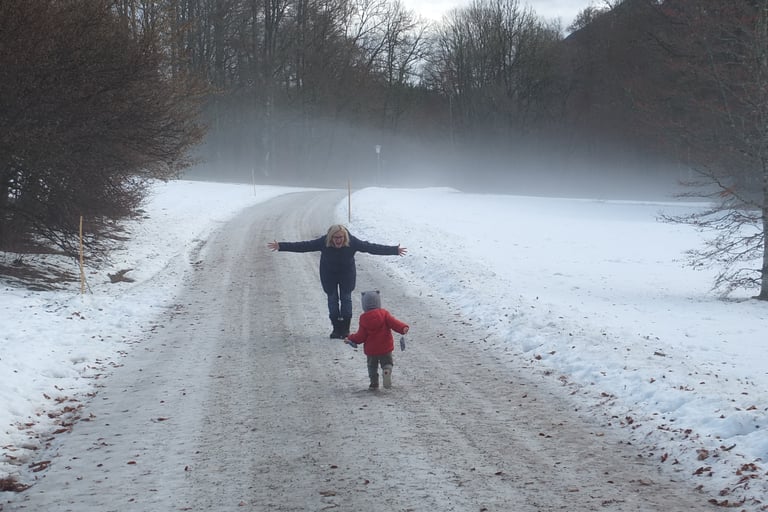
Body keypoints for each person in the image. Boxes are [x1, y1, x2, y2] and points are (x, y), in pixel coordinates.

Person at [268, 225, 406, 338]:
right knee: (332, 300)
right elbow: (304, 246)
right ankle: (336, 329)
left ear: (344, 237)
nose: (338, 240)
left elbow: (371, 248)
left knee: (346, 300)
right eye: (335, 237)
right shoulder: (323, 242)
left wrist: (394, 250)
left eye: (340, 237)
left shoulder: (352, 242)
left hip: (347, 275)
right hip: (329, 275)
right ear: (331, 237)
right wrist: (281, 246)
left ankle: (345, 329)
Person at [344, 290, 409, 390]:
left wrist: (351, 338)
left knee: (372, 366)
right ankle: (386, 370)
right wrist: (403, 328)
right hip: (385, 347)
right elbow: (394, 323)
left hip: (371, 350)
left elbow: (360, 336)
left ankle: (374, 383)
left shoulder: (364, 318)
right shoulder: (384, 314)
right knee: (387, 363)